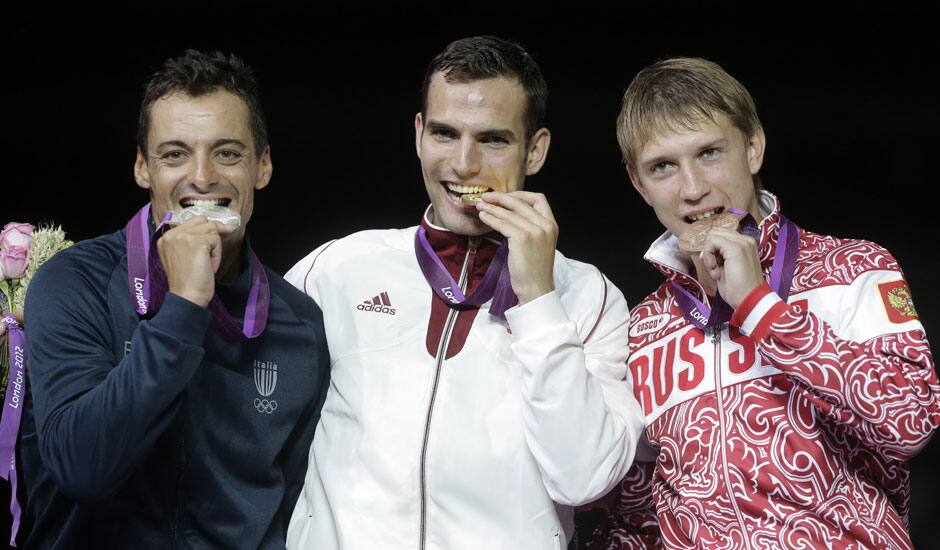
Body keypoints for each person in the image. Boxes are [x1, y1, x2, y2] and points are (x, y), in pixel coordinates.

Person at [284, 35, 645, 549]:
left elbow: (583, 477)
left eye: (493, 139)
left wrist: (539, 300)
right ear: (418, 134)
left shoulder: (588, 295)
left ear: (535, 149)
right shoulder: (335, 269)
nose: (463, 163)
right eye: (444, 134)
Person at [588, 57, 940, 549]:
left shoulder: (853, 269)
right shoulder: (644, 327)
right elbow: (638, 507)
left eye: (710, 153)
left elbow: (911, 420)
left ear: (752, 147)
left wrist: (761, 307)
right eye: (663, 167)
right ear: (638, 183)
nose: (692, 189)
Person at [19, 49, 330, 548]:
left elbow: (291, 511)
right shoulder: (75, 284)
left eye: (227, 153)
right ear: (143, 167)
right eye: (174, 154)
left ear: (263, 166)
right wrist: (184, 305)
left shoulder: (299, 325)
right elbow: (83, 471)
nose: (202, 177)